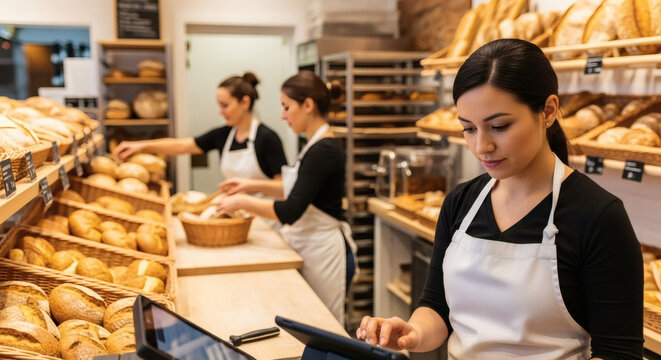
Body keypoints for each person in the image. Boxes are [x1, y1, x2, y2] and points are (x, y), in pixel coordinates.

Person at [357, 39, 643, 359]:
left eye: (499, 126)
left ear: (548, 111)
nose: (482, 147)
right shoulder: (461, 203)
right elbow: (437, 306)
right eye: (468, 129)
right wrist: (415, 332)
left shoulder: (598, 216)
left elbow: (619, 352)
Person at [216, 71, 357, 325]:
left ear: (308, 105)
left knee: (326, 329)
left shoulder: (323, 150)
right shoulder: (315, 144)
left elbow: (291, 210)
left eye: (286, 107)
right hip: (310, 246)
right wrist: (248, 185)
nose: (283, 116)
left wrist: (241, 202)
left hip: (324, 252)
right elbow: (297, 189)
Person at [113, 72, 288, 183]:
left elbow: (282, 186)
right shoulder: (224, 135)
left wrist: (247, 188)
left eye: (225, 105)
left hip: (267, 224)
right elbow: (182, 145)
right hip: (236, 218)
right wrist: (141, 146)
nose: (220, 112)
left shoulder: (267, 138)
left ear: (245, 102)